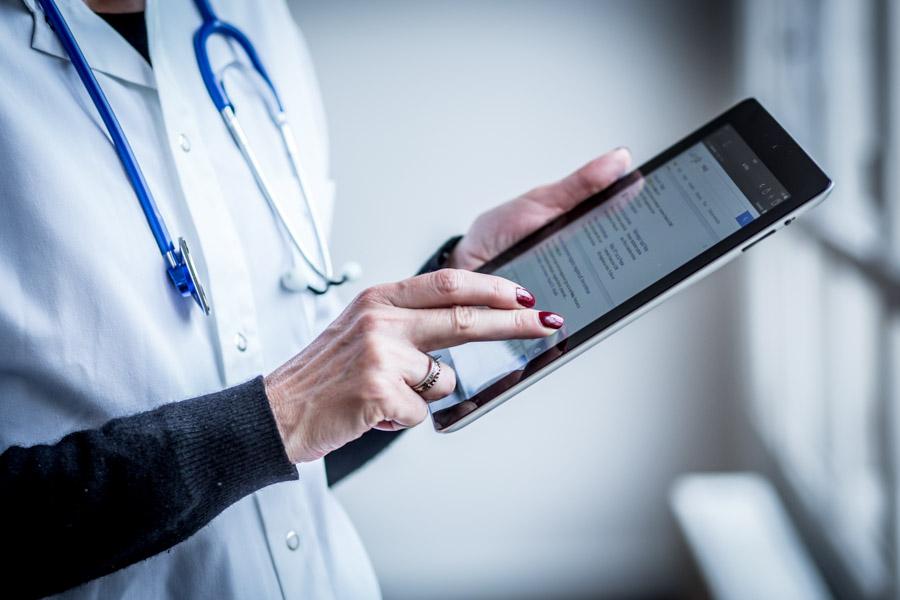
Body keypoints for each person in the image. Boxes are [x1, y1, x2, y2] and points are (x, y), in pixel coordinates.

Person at [0, 0, 631, 598]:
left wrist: (449, 293)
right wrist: (280, 415)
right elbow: (283, 419)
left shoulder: (256, 22)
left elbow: (288, 456)